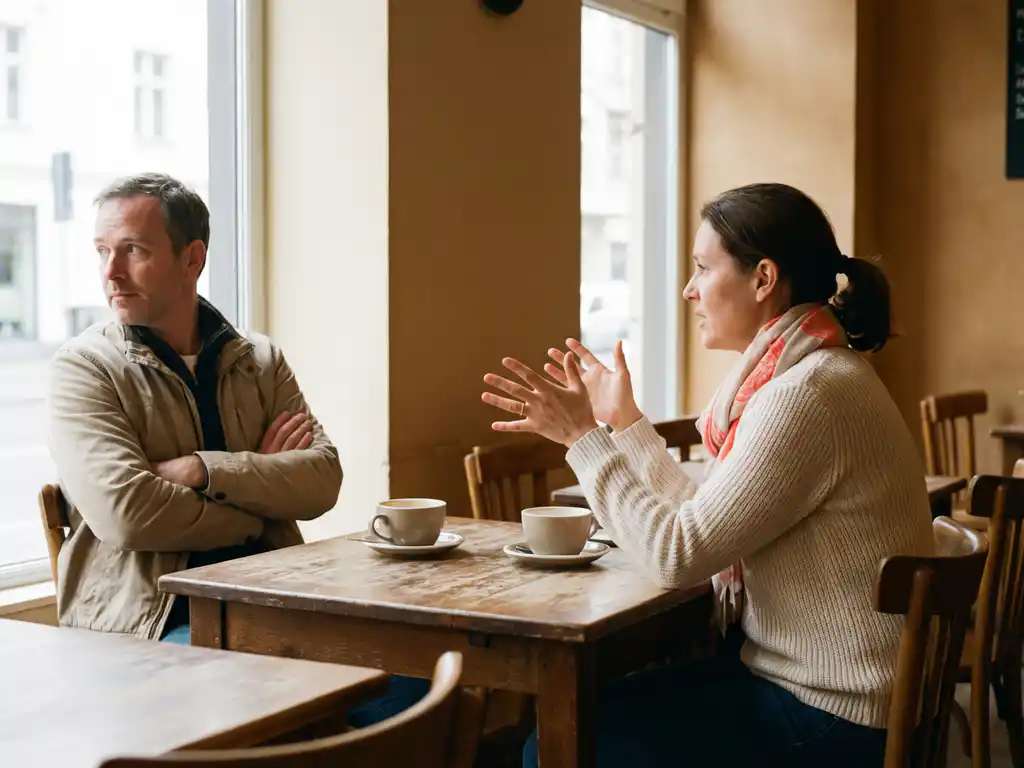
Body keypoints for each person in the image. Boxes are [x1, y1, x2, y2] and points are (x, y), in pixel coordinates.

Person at [482, 183, 933, 767]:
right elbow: (701, 520)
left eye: (701, 268)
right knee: (575, 718)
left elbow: (677, 554)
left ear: (763, 278)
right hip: (817, 688)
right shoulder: (808, 373)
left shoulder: (806, 394)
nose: (688, 289)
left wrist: (582, 439)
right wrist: (624, 421)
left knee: (557, 743)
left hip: (831, 716)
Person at [48, 173, 426, 724]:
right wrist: (257, 506)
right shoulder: (84, 368)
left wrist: (202, 471)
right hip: (149, 625)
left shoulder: (259, 360)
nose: (111, 273)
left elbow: (322, 481)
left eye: (133, 250)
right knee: (282, 696)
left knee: (417, 679)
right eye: (103, 251)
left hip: (274, 602)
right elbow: (127, 514)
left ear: (192, 258)